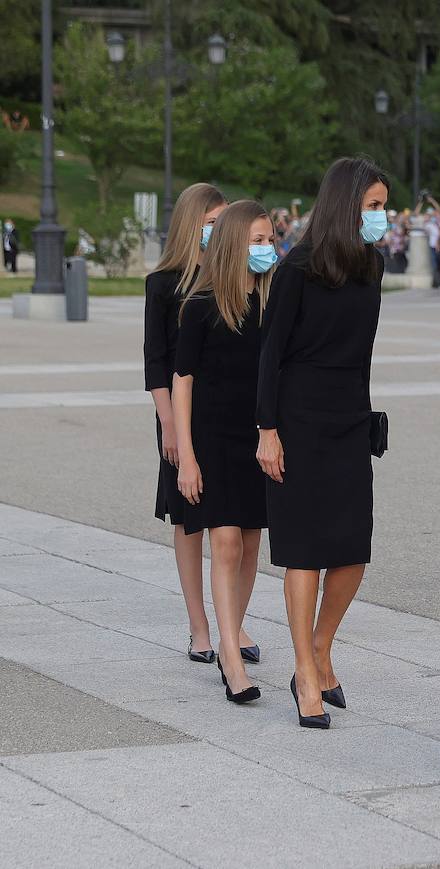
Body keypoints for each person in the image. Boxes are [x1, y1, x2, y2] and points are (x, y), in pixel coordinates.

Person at [257, 157, 389, 731]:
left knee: (353, 552)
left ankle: (319, 647)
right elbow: (270, 357)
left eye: (384, 207)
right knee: (305, 550)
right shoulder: (297, 271)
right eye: (374, 207)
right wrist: (267, 431)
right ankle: (306, 675)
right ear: (345, 206)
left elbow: (361, 354)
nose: (382, 218)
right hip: (298, 422)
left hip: (348, 422)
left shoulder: (372, 267)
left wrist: (364, 421)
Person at [143, 183, 259, 666]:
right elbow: (158, 362)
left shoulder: (231, 282)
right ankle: (199, 625)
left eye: (221, 221)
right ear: (192, 224)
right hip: (177, 415)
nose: (215, 230)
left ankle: (234, 621)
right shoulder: (165, 283)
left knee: (236, 523)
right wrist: (169, 425)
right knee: (189, 519)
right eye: (209, 221)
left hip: (223, 412)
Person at [172, 199, 275, 705]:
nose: (267, 249)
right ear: (235, 244)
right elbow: (182, 381)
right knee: (227, 542)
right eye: (257, 240)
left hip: (257, 437)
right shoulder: (200, 306)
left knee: (252, 543)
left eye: (270, 239)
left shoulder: (271, 305)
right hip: (213, 439)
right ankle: (229, 657)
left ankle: (233, 630)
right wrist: (186, 457)